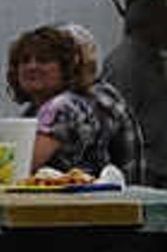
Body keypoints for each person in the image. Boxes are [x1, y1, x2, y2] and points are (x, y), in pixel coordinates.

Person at [8, 24, 139, 181]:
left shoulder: (64, 106)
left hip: (78, 204)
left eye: (44, 60)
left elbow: (16, 167)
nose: (32, 66)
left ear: (67, 67)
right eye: (24, 61)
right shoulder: (37, 110)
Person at [101, 0, 167, 197]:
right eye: (165, 23)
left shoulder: (151, 58)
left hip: (157, 166)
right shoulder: (126, 64)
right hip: (140, 172)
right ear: (148, 26)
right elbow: (115, 125)